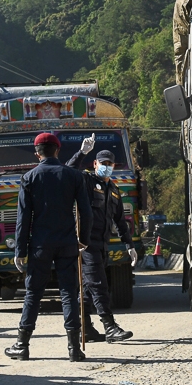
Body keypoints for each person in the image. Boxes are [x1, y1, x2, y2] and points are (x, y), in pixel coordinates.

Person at [5, 132, 92, 362]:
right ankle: (74, 349)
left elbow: (23, 219)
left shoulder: (29, 178)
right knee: (68, 293)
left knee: (33, 293)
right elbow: (86, 212)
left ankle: (22, 345)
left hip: (40, 245)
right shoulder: (73, 176)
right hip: (67, 244)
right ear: (58, 150)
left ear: (37, 154)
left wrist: (20, 251)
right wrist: (83, 238)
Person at [65, 138, 138, 342]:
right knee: (98, 284)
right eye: (102, 163)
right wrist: (81, 152)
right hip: (85, 244)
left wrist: (129, 245)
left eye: (109, 164)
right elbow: (68, 171)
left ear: (114, 166)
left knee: (88, 288)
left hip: (102, 244)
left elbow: (121, 221)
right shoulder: (87, 181)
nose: (106, 167)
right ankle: (110, 327)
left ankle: (84, 328)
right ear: (95, 164)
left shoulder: (114, 191)